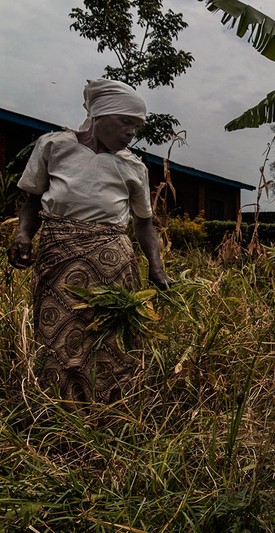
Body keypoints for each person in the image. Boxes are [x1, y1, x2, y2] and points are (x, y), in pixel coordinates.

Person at [7, 79, 169, 404]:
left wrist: (156, 265)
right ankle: (60, 413)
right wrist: (23, 234)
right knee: (56, 334)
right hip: (58, 258)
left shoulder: (133, 166)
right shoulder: (55, 146)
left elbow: (144, 223)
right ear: (99, 114)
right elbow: (32, 201)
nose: (130, 133)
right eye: (126, 122)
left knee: (107, 339)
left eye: (136, 127)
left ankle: (111, 413)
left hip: (112, 263)